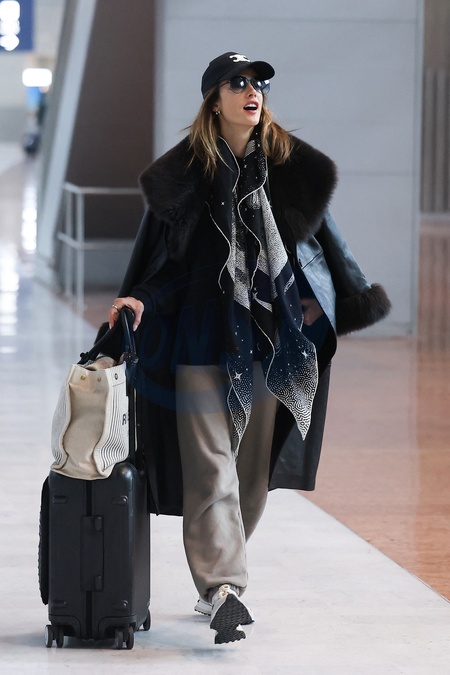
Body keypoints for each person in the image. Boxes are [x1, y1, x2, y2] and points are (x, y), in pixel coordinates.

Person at [106, 52, 391, 644]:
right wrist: (138, 301)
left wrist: (338, 301)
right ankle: (223, 589)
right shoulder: (185, 177)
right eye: (236, 83)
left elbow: (325, 250)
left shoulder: (291, 171)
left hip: (271, 342)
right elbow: (164, 264)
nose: (251, 91)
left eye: (257, 83)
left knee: (250, 475)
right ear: (214, 100)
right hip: (198, 341)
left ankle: (219, 573)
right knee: (210, 468)